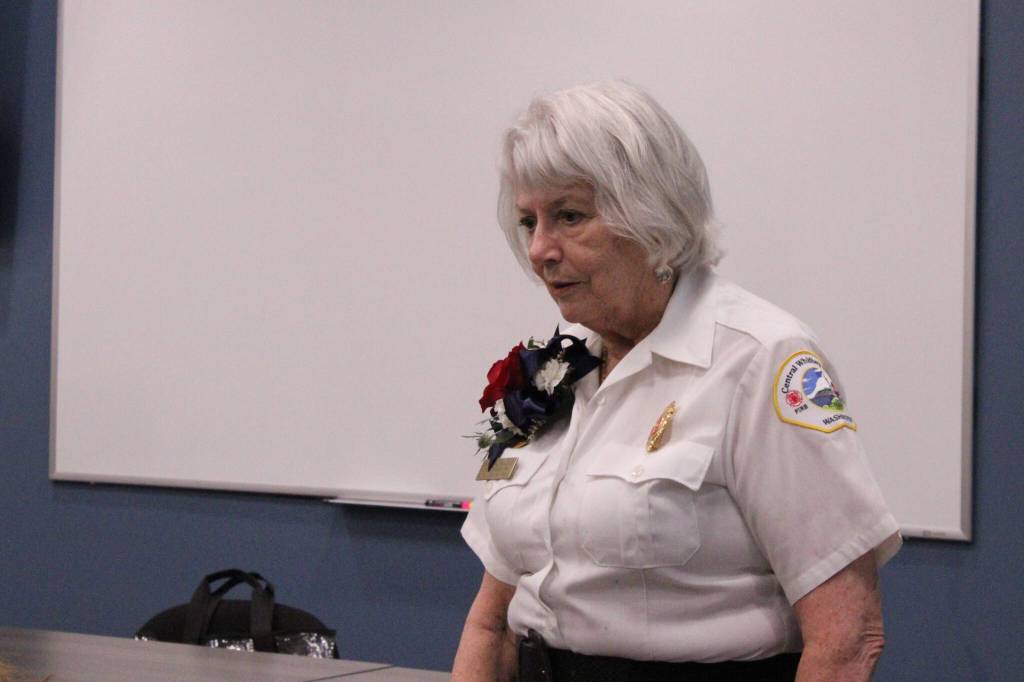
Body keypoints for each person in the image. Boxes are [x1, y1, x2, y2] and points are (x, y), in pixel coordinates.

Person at [452, 81, 901, 682]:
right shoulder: (555, 373)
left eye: (569, 216)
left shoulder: (759, 358)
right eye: (528, 221)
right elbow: (490, 624)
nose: (539, 249)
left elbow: (848, 639)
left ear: (653, 214)